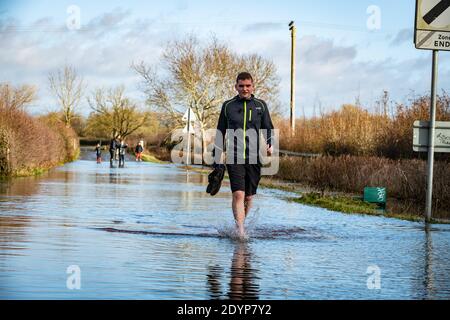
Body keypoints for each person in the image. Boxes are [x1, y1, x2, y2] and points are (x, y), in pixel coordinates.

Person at [212, 72, 274, 238]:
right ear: (236, 87)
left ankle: (240, 223)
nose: (244, 89)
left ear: (253, 86)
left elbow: (268, 127)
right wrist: (216, 155)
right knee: (238, 194)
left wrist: (270, 143)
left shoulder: (261, 105)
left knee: (248, 196)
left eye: (248, 86)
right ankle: (240, 230)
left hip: (254, 156)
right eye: (241, 86)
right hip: (234, 155)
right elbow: (220, 131)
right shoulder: (228, 106)